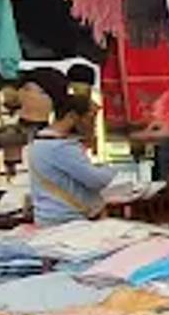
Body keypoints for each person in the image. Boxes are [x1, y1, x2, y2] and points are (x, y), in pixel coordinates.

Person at [23, 69, 113, 225]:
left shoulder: (42, 142)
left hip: (55, 217)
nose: (92, 125)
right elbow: (96, 180)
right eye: (89, 119)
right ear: (72, 116)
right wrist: (111, 170)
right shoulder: (59, 148)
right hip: (68, 221)